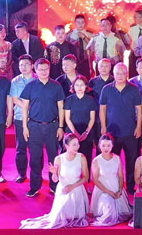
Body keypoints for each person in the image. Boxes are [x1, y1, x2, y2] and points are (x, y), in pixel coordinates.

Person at [18, 58, 67, 197]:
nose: (44, 72)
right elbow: (25, 107)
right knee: (35, 158)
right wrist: (25, 127)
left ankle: (54, 185)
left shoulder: (56, 86)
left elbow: (61, 107)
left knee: (54, 157)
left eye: (46, 69)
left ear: (49, 69)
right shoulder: (30, 86)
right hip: (34, 126)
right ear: (36, 70)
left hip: (52, 126)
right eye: (41, 69)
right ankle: (35, 186)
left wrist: (61, 126)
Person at [20, 134, 90, 229]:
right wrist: (54, 173)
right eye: (74, 145)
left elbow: (86, 177)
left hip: (76, 188)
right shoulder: (59, 159)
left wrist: (72, 186)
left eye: (78, 144)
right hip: (63, 189)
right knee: (60, 215)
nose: (77, 147)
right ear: (66, 146)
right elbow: (55, 179)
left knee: (74, 217)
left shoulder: (81, 157)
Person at [99, 62, 142, 194]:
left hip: (130, 131)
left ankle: (130, 186)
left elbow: (139, 109)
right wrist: (103, 127)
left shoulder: (134, 89)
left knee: (132, 160)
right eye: (117, 73)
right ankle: (114, 185)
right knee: (113, 161)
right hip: (112, 132)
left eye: (123, 73)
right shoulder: (106, 89)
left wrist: (139, 127)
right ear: (113, 74)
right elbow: (102, 109)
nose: (120, 75)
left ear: (127, 74)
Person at [89, 135, 132, 226]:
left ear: (112, 146)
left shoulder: (117, 158)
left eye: (108, 145)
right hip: (102, 189)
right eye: (103, 145)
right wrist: (109, 192)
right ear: (99, 146)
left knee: (121, 212)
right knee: (108, 212)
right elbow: (95, 180)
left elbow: (121, 176)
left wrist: (120, 190)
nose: (106, 148)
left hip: (115, 186)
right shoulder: (96, 160)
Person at [9, 56, 37, 184]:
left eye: (26, 64)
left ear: (32, 65)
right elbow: (15, 99)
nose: (23, 67)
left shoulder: (38, 79)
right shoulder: (15, 81)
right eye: (21, 65)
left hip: (36, 118)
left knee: (35, 147)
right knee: (21, 147)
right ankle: (21, 173)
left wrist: (34, 109)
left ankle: (36, 173)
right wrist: (29, 108)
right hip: (20, 118)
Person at [63, 76, 99, 161]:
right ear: (73, 86)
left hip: (87, 132)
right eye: (77, 85)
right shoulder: (69, 100)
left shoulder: (91, 100)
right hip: (72, 132)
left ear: (86, 86)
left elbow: (92, 118)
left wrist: (86, 132)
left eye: (82, 85)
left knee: (86, 158)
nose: (79, 87)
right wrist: (75, 132)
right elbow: (67, 118)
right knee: (72, 158)